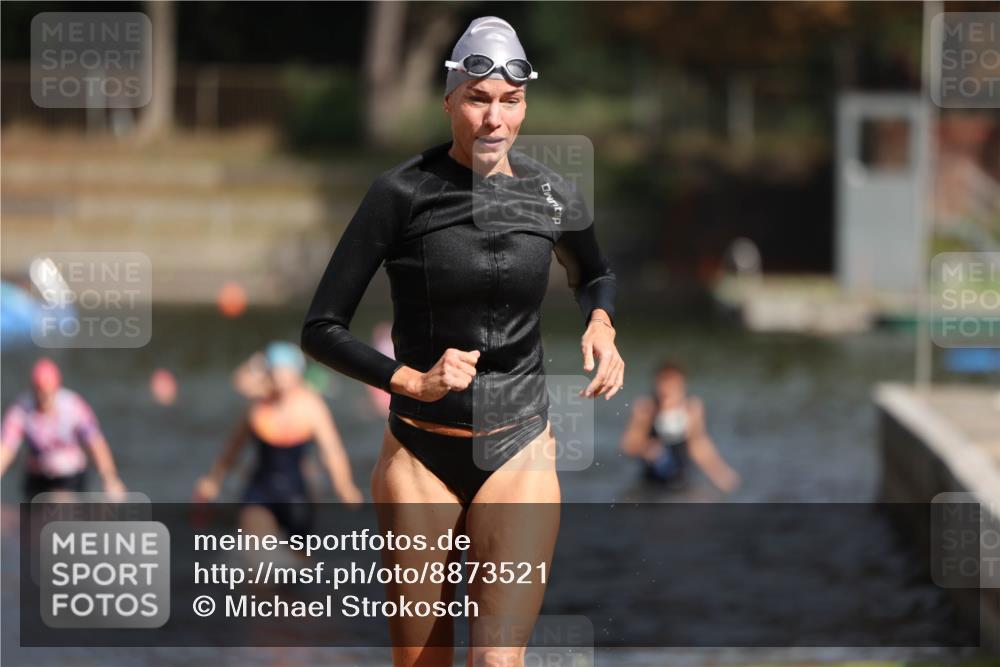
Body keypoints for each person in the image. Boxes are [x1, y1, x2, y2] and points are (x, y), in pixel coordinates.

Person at [301, 16, 623, 667]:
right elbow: (321, 329)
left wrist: (602, 323)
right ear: (450, 99)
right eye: (478, 99)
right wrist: (412, 380)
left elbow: (595, 272)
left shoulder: (552, 193)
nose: (494, 119)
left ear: (525, 104)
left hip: (521, 446)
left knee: (497, 662)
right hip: (420, 451)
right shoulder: (400, 194)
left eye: (510, 101)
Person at [194, 342, 363, 541]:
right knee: (254, 554)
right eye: (276, 371)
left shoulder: (312, 407)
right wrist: (214, 480)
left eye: (286, 371)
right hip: (260, 489)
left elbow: (332, 451)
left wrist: (344, 485)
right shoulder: (256, 407)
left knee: (299, 562)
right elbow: (233, 449)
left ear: (297, 374)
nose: (281, 377)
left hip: (297, 491)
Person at [0, 358, 127, 500]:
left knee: (59, 508)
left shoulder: (74, 406)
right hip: (37, 477)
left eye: (47, 393)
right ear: (33, 389)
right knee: (32, 519)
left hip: (69, 476)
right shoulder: (20, 409)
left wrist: (110, 478)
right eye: (39, 392)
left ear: (56, 388)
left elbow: (95, 443)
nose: (43, 398)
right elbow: (5, 449)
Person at [620, 361, 740, 493]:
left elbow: (699, 446)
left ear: (682, 386)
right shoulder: (646, 408)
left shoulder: (691, 409)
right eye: (664, 384)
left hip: (682, 479)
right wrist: (646, 448)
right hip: (651, 482)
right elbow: (628, 446)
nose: (667, 389)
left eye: (673, 386)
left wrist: (720, 473)